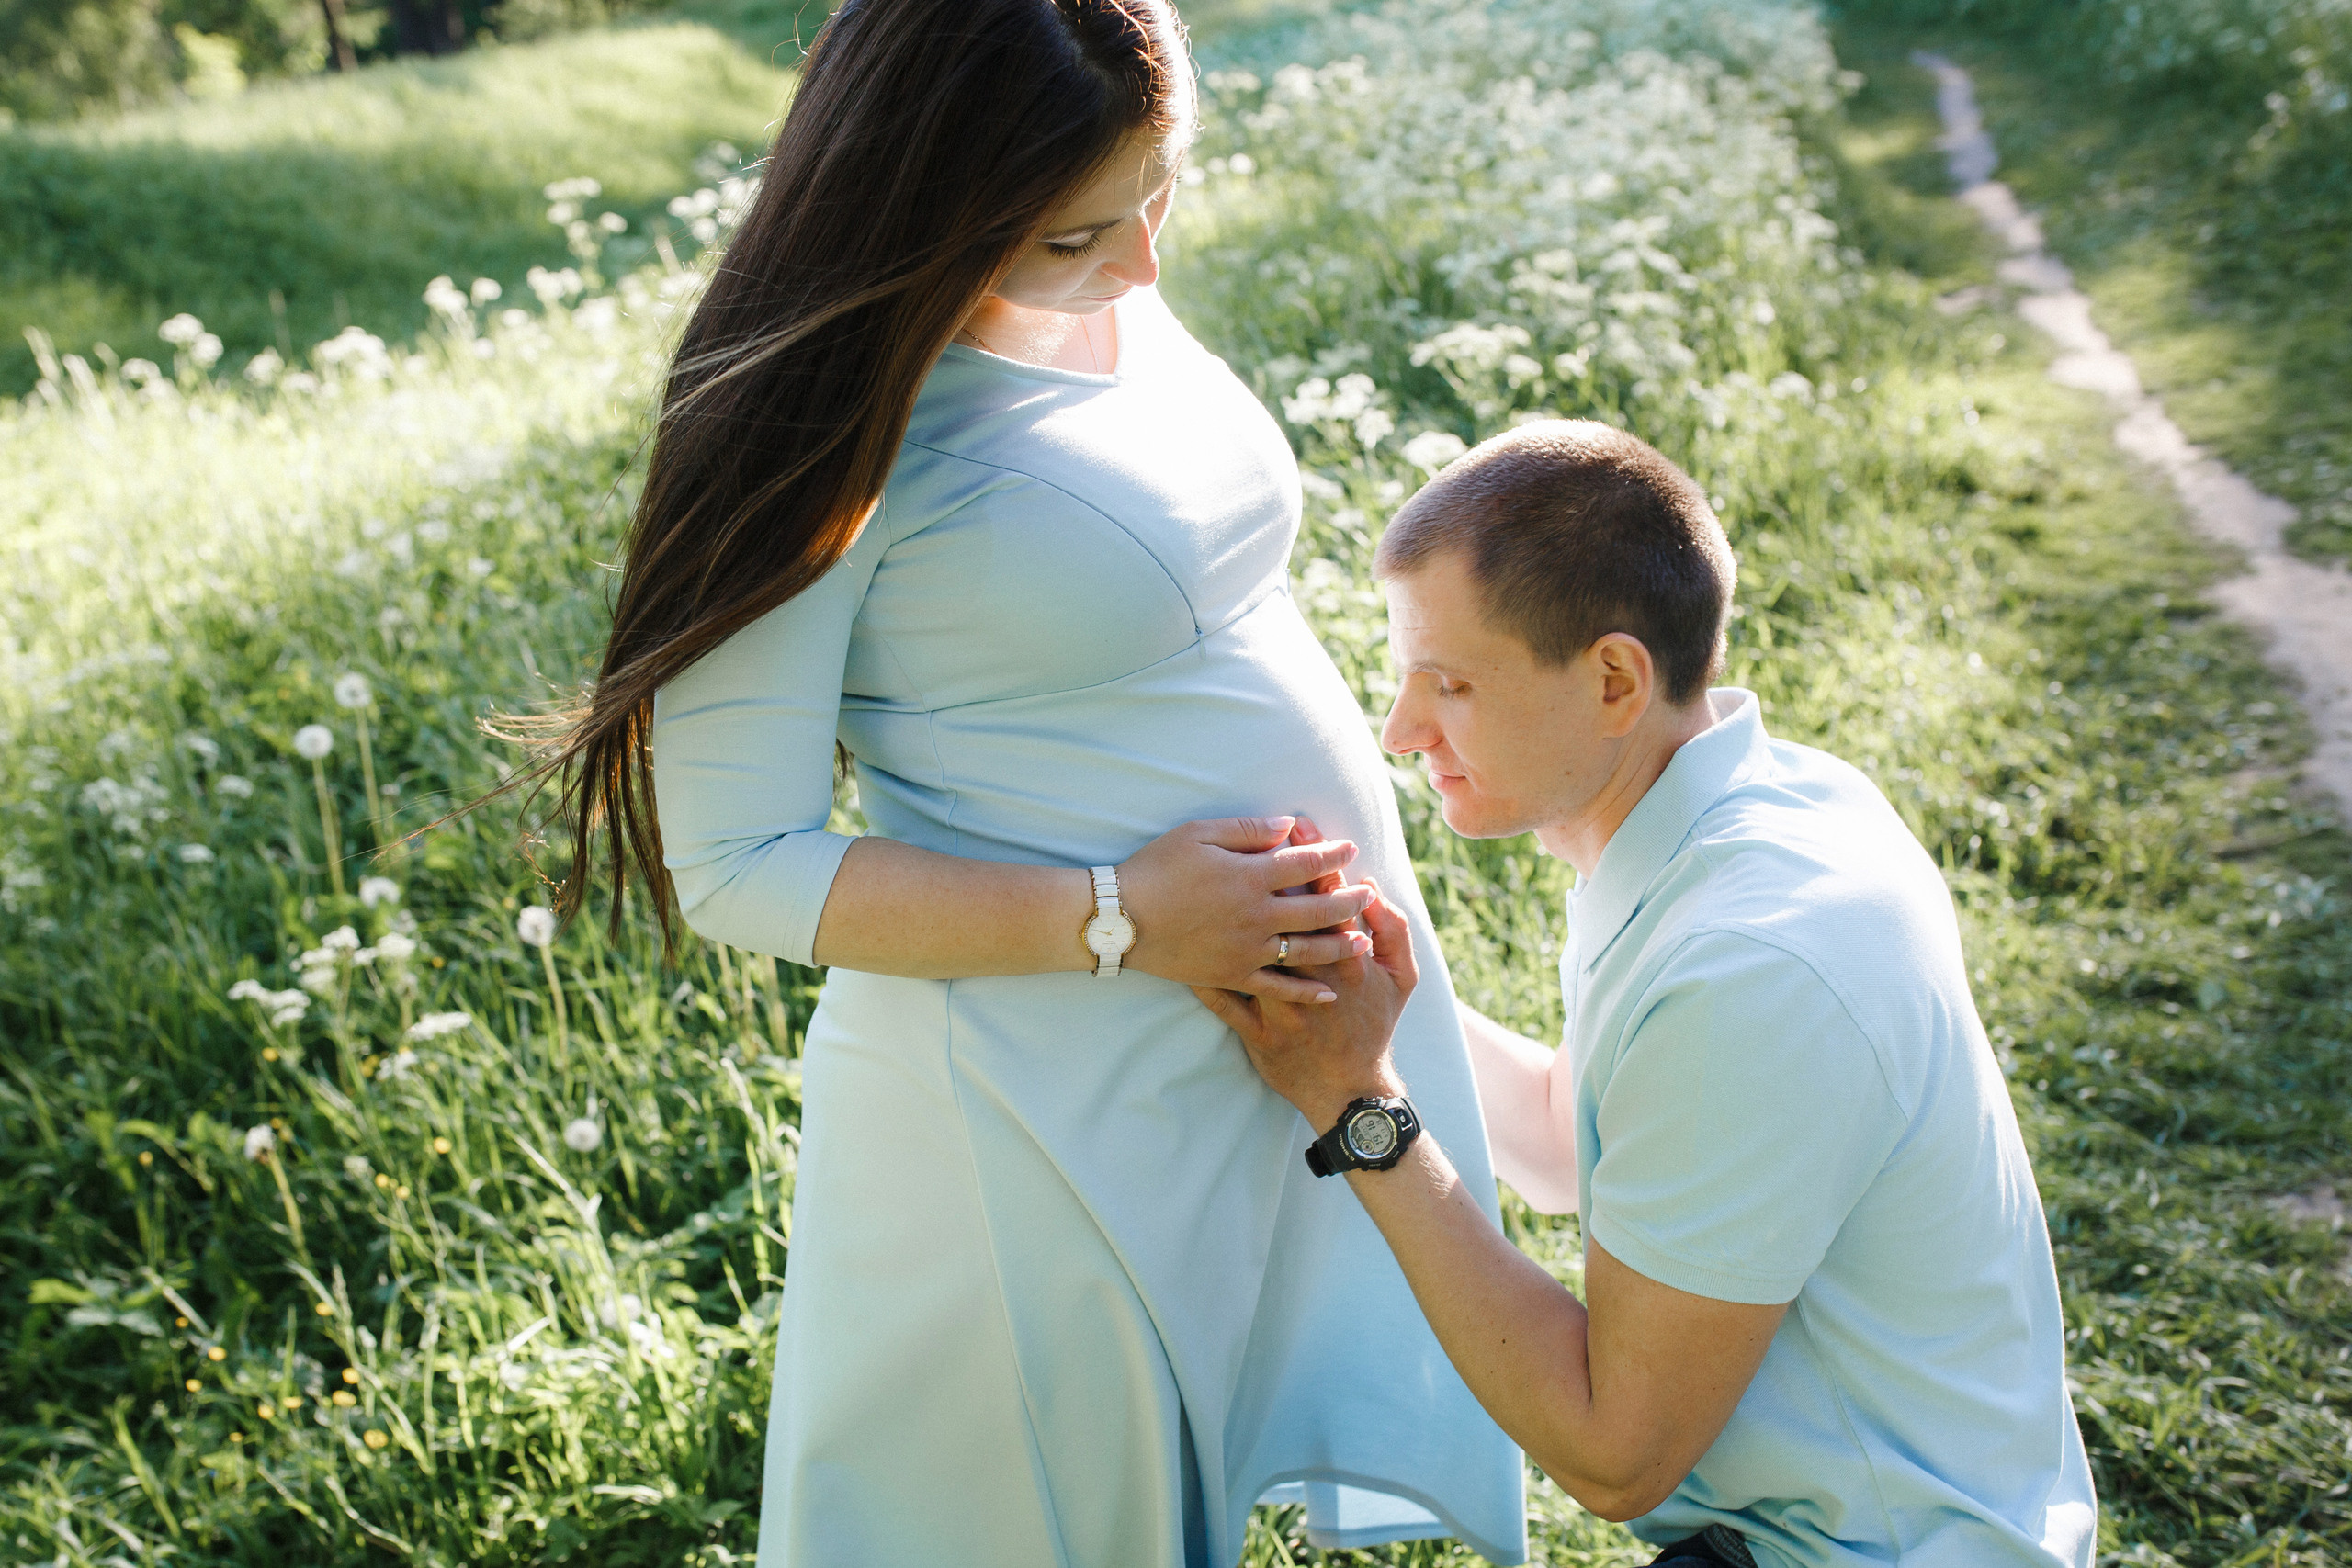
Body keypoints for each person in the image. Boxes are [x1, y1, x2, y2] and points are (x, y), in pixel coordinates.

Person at [511, 1, 1524, 1563]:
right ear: (917, 209)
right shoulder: (812, 424)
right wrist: (1132, 920)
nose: (1141, 267)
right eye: (1072, 240)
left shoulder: (1096, 260)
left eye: (1156, 194)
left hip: (1241, 1064)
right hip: (1033, 1119)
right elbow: (739, 860)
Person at [1202, 421, 2099, 1567]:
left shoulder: (1750, 970)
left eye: (1453, 683)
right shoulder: (1741, 818)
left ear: (1615, 678)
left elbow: (1613, 1453)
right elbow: (1576, 1152)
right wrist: (1362, 1000)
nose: (1401, 731)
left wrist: (1355, 1111)